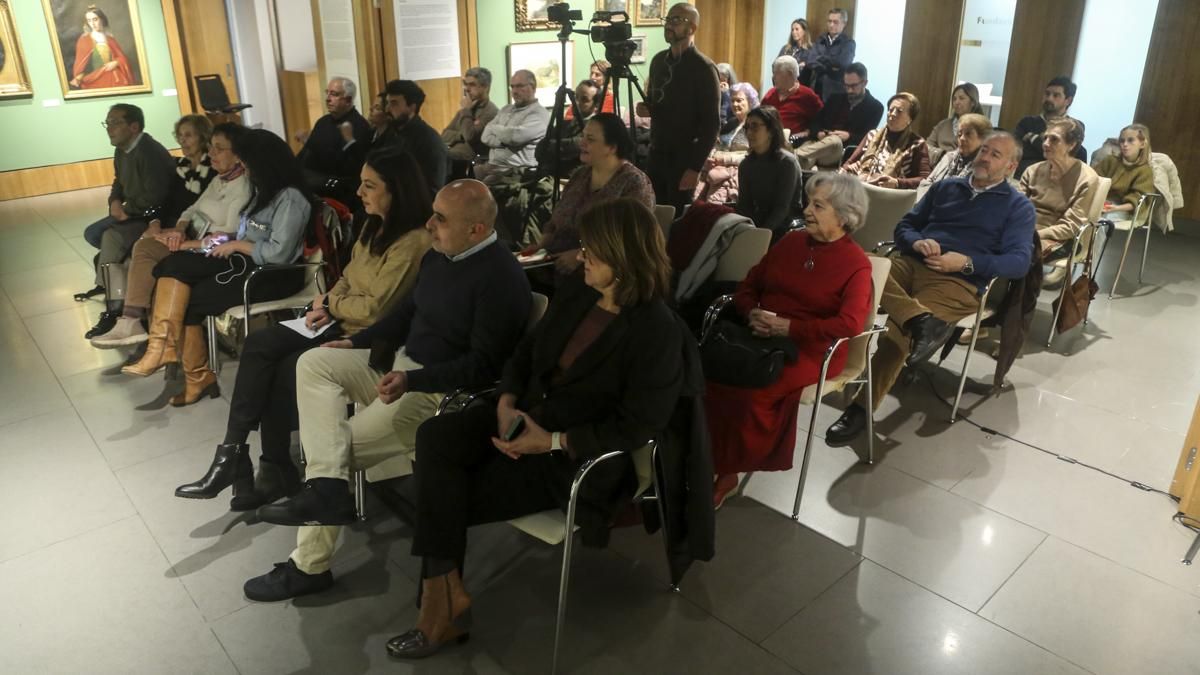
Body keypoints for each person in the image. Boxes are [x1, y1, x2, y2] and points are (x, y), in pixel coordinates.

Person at [383, 198, 684, 659]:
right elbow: (527, 351)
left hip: (573, 455)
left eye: (592, 250)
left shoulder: (656, 331)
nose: (582, 256)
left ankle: (438, 608)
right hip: (526, 414)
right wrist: (506, 398)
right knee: (435, 436)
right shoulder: (580, 292)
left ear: (623, 256)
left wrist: (552, 441)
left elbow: (640, 423)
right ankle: (445, 598)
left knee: (446, 492)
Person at [243, 180, 532, 602]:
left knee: (336, 452)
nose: (429, 225)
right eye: (432, 213)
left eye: (440, 218)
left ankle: (309, 565)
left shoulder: (500, 278)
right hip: (400, 366)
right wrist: (356, 342)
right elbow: (406, 314)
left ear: (476, 229)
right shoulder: (441, 255)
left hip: (437, 391)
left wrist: (413, 381)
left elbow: (484, 366)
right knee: (314, 362)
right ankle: (326, 490)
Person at [173, 149, 434, 511]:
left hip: (366, 336)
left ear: (397, 190)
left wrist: (330, 304)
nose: (359, 192)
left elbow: (376, 309)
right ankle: (237, 453)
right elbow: (348, 277)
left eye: (370, 186)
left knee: (281, 370)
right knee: (259, 345)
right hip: (336, 320)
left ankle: (267, 467)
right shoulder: (374, 224)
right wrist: (328, 301)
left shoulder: (414, 241)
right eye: (361, 183)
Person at [825, 132, 1035, 444]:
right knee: (858, 266)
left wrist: (966, 262)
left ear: (1011, 166)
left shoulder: (1018, 207)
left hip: (958, 281)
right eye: (984, 150)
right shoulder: (946, 187)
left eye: (995, 155)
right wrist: (917, 241)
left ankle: (860, 408)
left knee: (899, 333)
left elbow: (1019, 262)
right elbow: (904, 227)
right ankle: (919, 319)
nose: (985, 157)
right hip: (912, 262)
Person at [707, 173, 872, 505]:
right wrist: (751, 311)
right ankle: (700, 456)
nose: (807, 210)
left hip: (812, 349)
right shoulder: (791, 242)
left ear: (844, 215)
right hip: (761, 335)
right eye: (809, 202)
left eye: (818, 206)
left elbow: (850, 323)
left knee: (753, 390)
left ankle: (726, 471)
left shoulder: (857, 265)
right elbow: (749, 285)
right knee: (709, 373)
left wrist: (789, 328)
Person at [120, 130, 313, 407]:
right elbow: (245, 233)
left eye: (247, 162)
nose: (244, 168)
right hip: (246, 262)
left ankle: (175, 359)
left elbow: (279, 253)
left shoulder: (290, 198)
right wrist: (224, 239)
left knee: (182, 284)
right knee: (174, 270)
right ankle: (173, 357)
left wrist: (237, 245)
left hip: (273, 275)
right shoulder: (262, 191)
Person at [90, 123, 251, 348]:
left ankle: (153, 338)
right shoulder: (219, 179)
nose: (212, 153)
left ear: (238, 155)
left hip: (213, 251)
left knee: (158, 263)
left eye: (219, 148)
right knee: (144, 246)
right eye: (212, 147)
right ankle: (131, 320)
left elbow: (228, 236)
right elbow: (190, 210)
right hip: (193, 238)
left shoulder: (243, 187)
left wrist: (184, 244)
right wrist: (178, 230)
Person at [77, 104, 175, 337]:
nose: (109, 128)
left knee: (110, 239)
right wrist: (114, 201)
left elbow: (157, 199)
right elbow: (118, 182)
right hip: (133, 212)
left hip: (151, 217)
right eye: (107, 123)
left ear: (134, 127)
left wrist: (128, 213)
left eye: (115, 122)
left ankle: (114, 309)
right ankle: (112, 275)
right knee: (93, 233)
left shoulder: (149, 153)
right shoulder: (122, 150)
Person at [527, 112, 655, 277]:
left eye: (591, 139)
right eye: (583, 136)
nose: (582, 143)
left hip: (603, 269)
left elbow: (631, 238)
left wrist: (582, 255)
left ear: (612, 147)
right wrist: (541, 246)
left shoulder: (634, 183)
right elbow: (554, 222)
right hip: (555, 262)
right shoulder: (580, 175)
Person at [638, 2, 720, 213]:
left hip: (684, 159)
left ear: (692, 28)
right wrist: (645, 108)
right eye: (667, 19)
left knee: (676, 219)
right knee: (652, 214)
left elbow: (712, 125)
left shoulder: (704, 68)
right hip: (656, 154)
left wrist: (694, 168)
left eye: (676, 20)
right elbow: (653, 103)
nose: (669, 25)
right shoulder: (658, 62)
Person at [1019, 118, 1099, 265]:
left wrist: (1034, 235)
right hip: (1025, 230)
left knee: (1018, 252)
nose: (1045, 143)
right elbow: (1015, 209)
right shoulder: (1032, 170)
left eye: (1054, 139)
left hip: (1059, 238)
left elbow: (1071, 226)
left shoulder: (1086, 179)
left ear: (1071, 144)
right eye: (1045, 138)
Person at [296, 77, 373, 206]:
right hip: (313, 190)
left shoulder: (359, 125)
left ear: (348, 100)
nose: (328, 98)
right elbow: (306, 154)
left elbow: (346, 165)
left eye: (334, 94)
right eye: (327, 93)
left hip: (341, 194)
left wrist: (309, 141)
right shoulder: (323, 122)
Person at [795, 62, 883, 170]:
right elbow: (815, 121)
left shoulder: (875, 107)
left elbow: (868, 138)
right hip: (818, 144)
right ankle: (796, 159)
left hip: (840, 149)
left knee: (834, 141)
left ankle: (793, 155)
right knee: (805, 159)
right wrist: (818, 133)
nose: (849, 90)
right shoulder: (835, 98)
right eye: (846, 85)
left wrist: (849, 136)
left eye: (853, 86)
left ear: (864, 83)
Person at [738, 106, 803, 243]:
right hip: (757, 224)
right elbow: (744, 205)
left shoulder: (787, 163)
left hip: (785, 226)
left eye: (755, 127)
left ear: (771, 131)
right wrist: (748, 230)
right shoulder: (746, 165)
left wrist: (760, 234)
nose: (749, 132)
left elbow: (783, 208)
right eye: (747, 127)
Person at [841, 92, 931, 189]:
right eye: (890, 110)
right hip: (861, 186)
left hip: (889, 194)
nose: (892, 114)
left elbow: (925, 180)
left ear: (910, 119)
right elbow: (847, 164)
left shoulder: (917, 144)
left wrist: (897, 183)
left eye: (899, 111)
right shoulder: (872, 135)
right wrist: (851, 167)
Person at [474, 70, 549, 184]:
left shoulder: (539, 113)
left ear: (533, 87)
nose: (514, 91)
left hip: (516, 171)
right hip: (492, 166)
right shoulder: (506, 109)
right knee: (462, 177)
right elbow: (485, 136)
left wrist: (494, 127)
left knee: (480, 188)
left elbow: (514, 137)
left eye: (519, 86)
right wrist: (503, 142)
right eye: (512, 87)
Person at [379, 79, 449, 195]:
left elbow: (432, 188)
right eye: (387, 103)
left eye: (394, 103)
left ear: (412, 107)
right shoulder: (391, 133)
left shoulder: (429, 141)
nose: (387, 109)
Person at [695, 82, 758, 204]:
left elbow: (754, 155)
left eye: (739, 100)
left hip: (737, 172)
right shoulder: (731, 123)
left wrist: (725, 159)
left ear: (750, 101)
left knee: (714, 201)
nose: (735, 104)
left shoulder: (754, 125)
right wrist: (711, 157)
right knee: (695, 197)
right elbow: (717, 146)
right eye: (732, 101)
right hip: (715, 170)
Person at [1013, 76, 1087, 176]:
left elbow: (1068, 158)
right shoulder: (1027, 122)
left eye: (1056, 95)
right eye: (1047, 94)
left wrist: (1034, 139)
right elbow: (1016, 152)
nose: (1049, 98)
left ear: (1068, 101)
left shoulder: (1074, 126)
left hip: (1057, 179)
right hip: (1023, 175)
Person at [916, 112, 992, 200]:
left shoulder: (985, 168)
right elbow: (926, 184)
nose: (962, 138)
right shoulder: (949, 157)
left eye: (968, 134)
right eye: (959, 134)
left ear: (983, 139)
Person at [534, 79, 600, 179]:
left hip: (573, 180)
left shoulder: (597, 128)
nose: (576, 102)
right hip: (548, 175)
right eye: (575, 97)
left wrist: (554, 146)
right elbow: (540, 150)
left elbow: (576, 146)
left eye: (584, 99)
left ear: (596, 105)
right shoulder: (564, 124)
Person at [1094, 123, 1155, 224]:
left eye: (1130, 140)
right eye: (1122, 141)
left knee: (1102, 222)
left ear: (1142, 144)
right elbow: (1093, 180)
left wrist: (1115, 208)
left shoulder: (1145, 171)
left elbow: (1138, 199)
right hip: (1101, 203)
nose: (1125, 144)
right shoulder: (1110, 161)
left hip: (1123, 210)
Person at [441, 67, 499, 163]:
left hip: (471, 161)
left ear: (486, 87)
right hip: (453, 156)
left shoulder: (491, 112)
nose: (467, 89)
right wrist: (460, 136)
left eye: (472, 84)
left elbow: (470, 136)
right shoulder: (467, 109)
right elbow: (444, 136)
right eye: (466, 84)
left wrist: (466, 110)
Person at [69, 5, 134, 89]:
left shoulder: (110, 39)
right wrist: (79, 77)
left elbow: (122, 58)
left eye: (95, 19)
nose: (92, 24)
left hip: (114, 77)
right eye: (89, 20)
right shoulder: (84, 40)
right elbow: (80, 66)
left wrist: (116, 62)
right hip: (93, 79)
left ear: (102, 19)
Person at [761, 56, 822, 143]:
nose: (773, 77)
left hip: (795, 142)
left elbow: (821, 120)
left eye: (776, 73)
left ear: (789, 74)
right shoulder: (770, 94)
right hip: (769, 141)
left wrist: (807, 133)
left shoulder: (807, 95)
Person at [926, 83, 983, 163]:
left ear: (973, 102)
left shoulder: (981, 127)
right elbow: (926, 147)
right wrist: (942, 154)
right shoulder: (943, 125)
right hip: (939, 165)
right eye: (954, 99)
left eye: (961, 98)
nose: (957, 102)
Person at [808, 7, 856, 101]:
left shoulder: (848, 43)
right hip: (816, 87)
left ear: (844, 24)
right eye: (829, 21)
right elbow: (810, 61)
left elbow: (843, 64)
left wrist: (821, 60)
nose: (831, 25)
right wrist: (831, 66)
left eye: (835, 22)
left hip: (835, 90)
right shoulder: (820, 40)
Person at [777, 18, 814, 84]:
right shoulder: (786, 48)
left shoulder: (811, 49)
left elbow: (811, 69)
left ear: (804, 31)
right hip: (784, 84)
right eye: (792, 30)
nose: (794, 32)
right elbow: (776, 65)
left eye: (797, 29)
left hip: (802, 84)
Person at [715, 62, 739, 133]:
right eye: (718, 80)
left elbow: (723, 121)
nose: (721, 84)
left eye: (724, 81)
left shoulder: (737, 96)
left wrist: (726, 95)